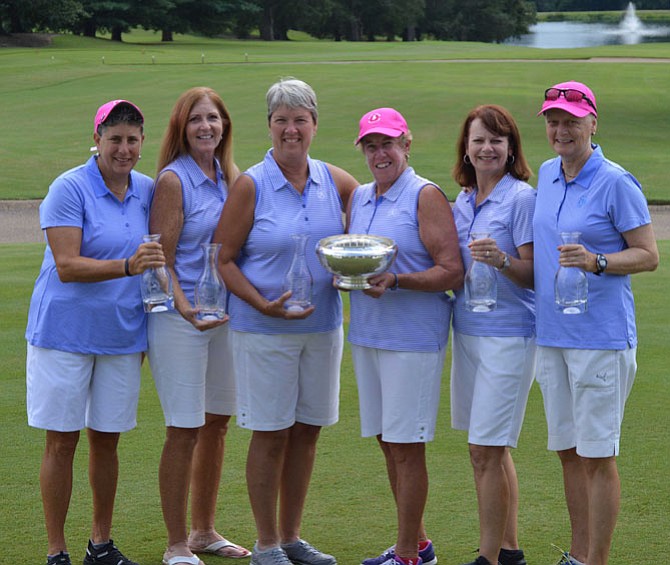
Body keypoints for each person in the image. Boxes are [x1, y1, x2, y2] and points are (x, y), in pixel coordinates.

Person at [213, 78, 359, 565]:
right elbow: (225, 259)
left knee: (307, 431)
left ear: (315, 125)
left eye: (300, 120)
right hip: (264, 332)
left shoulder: (335, 181)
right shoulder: (251, 184)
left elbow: (367, 232)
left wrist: (351, 276)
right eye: (281, 120)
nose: (291, 129)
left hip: (322, 330)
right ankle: (267, 543)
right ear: (269, 126)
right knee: (271, 433)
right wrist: (260, 303)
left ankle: (293, 537)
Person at [25, 99, 163, 565]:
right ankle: (56, 550)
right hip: (64, 332)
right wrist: (127, 265)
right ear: (98, 138)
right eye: (115, 139)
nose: (123, 149)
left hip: (122, 335)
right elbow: (66, 265)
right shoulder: (69, 187)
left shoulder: (148, 190)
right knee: (62, 440)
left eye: (132, 140)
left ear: (143, 143)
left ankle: (100, 544)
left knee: (107, 438)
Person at [534, 81, 659, 565]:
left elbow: (648, 256)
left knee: (597, 456)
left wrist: (598, 262)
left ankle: (595, 561)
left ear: (592, 122)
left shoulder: (615, 181)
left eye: (570, 120)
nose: (561, 129)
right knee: (569, 451)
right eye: (552, 120)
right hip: (552, 334)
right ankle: (579, 554)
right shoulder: (547, 173)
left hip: (599, 338)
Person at [348, 108, 464, 565]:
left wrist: (397, 281)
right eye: (371, 145)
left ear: (406, 145)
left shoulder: (424, 194)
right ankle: (417, 543)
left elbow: (451, 271)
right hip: (369, 334)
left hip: (412, 340)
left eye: (388, 144)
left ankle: (407, 556)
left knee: (405, 446)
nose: (380, 153)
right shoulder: (360, 196)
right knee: (385, 440)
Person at [148, 87, 251, 565]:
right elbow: (159, 261)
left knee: (216, 424)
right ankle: (175, 544)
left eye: (213, 118)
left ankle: (204, 532)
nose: (206, 126)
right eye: (195, 120)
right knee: (184, 428)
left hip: (224, 317)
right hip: (179, 320)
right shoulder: (174, 180)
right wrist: (186, 307)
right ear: (181, 128)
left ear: (225, 125)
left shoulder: (230, 177)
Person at [450, 105, 536, 565]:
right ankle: (509, 551)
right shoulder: (461, 202)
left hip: (508, 336)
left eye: (496, 141)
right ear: (466, 147)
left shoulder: (521, 199)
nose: (487, 148)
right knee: (490, 449)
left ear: (510, 150)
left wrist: (502, 260)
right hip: (468, 334)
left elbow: (536, 274)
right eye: (479, 139)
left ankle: (487, 558)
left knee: (485, 448)